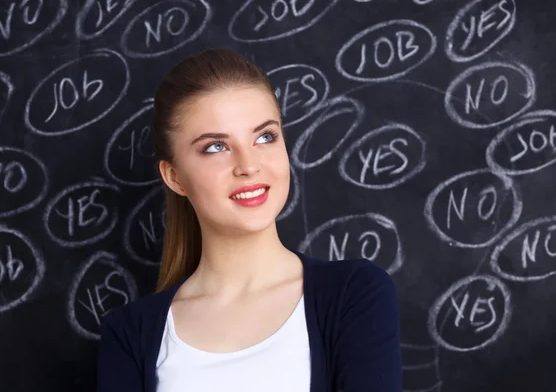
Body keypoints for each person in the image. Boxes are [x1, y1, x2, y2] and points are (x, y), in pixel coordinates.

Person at [96, 48, 402, 391]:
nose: (248, 164)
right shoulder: (130, 335)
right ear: (174, 177)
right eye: (216, 147)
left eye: (264, 137)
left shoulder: (353, 294)